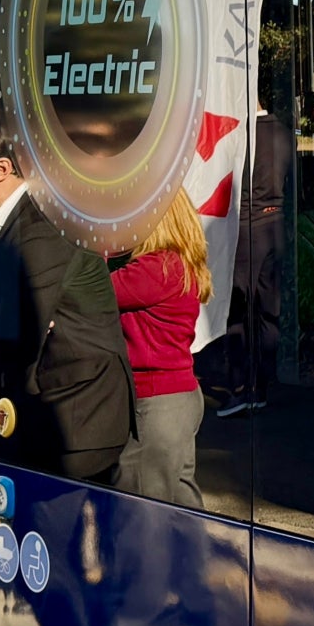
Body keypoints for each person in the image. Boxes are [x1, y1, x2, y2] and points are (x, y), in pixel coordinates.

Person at [0, 117, 135, 482]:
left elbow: (17, 331)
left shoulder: (41, 225)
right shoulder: (2, 226)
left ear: (0, 170)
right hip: (46, 412)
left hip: (76, 419)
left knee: (63, 529)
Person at [112, 193, 210, 507]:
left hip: (157, 402)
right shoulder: (180, 265)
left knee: (139, 506)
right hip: (180, 396)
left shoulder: (155, 269)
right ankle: (194, 556)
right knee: (182, 503)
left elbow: (94, 291)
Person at [213, 98, 295, 418]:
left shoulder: (240, 134)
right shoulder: (284, 133)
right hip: (276, 226)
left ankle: (239, 389)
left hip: (247, 228)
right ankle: (261, 384)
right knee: (267, 309)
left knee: (237, 310)